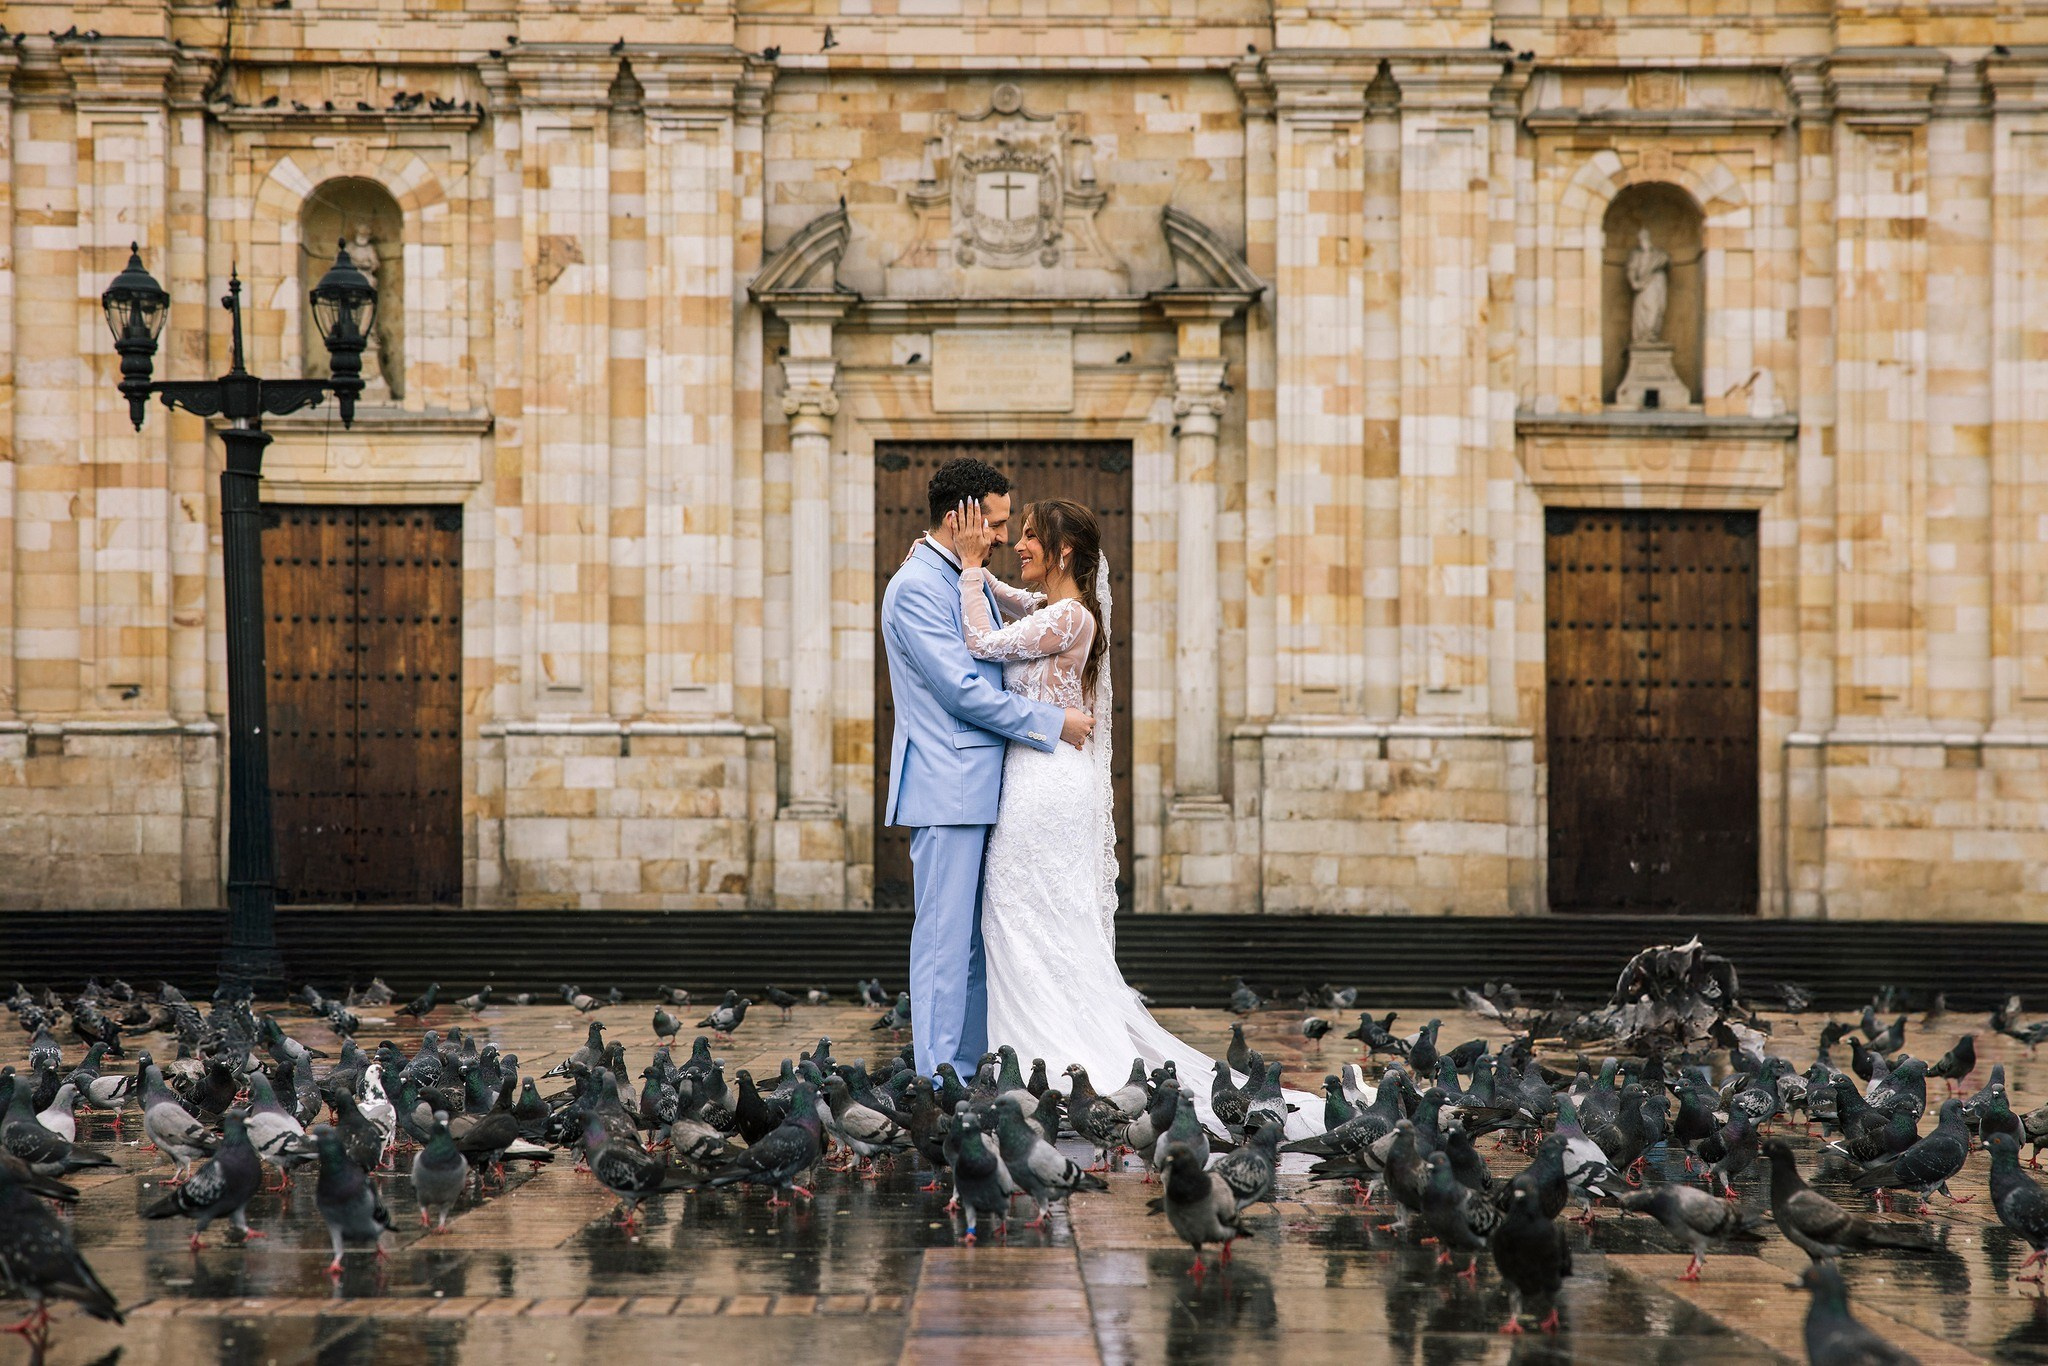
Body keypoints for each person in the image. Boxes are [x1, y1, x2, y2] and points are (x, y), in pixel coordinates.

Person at [950, 496, 1323, 1140]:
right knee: (1025, 918)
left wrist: (963, 569)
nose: (1021, 546)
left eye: (1032, 537)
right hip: (1038, 779)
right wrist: (969, 566)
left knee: (1020, 916)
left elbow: (980, 640)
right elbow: (1011, 599)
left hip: (1043, 786)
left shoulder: (1067, 616)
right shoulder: (1058, 611)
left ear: (1064, 551)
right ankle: (1042, 1059)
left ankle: (1055, 1062)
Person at [878, 459, 1095, 1082]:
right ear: (961, 517)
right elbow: (962, 690)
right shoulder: (917, 586)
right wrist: (1052, 724)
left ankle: (964, 1069)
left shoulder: (962, 578)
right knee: (947, 944)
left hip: (986, 788)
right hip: (948, 787)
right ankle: (939, 1076)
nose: (1002, 536)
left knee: (975, 946)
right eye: (996, 523)